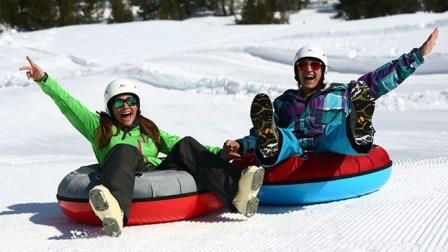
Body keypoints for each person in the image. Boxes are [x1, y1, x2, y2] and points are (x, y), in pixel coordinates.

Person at [19, 57, 264, 237]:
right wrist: (44, 80)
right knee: (125, 150)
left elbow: (178, 145)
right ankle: (115, 211)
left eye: (131, 101)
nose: (126, 107)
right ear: (110, 108)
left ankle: (238, 195)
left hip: (155, 170)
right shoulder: (98, 127)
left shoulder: (148, 128)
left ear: (137, 104)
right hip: (123, 169)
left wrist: (220, 153)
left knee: (186, 142)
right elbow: (70, 105)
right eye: (119, 103)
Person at [222, 28, 439, 167]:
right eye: (303, 65)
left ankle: (358, 131)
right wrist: (241, 145)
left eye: (315, 65)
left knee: (337, 133)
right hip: (293, 149)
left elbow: (378, 81)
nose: (309, 69)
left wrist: (417, 56)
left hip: (328, 146)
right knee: (283, 137)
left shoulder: (341, 93)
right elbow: (257, 134)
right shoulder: (283, 102)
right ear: (296, 72)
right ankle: (272, 145)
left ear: (322, 70)